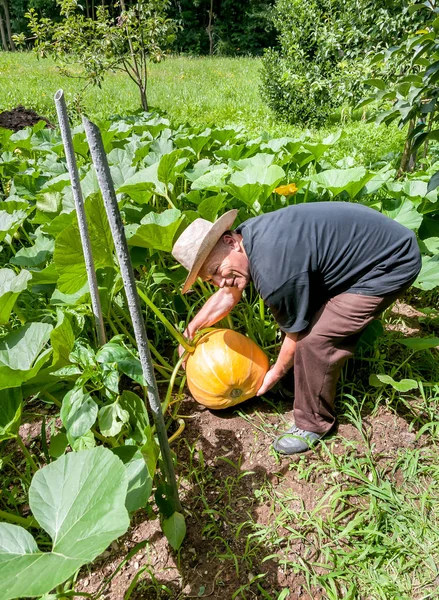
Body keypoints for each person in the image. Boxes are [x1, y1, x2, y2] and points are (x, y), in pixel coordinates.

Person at [171, 202, 422, 454]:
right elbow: (229, 292)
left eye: (216, 271)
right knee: (298, 317)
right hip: (363, 251)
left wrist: (273, 375)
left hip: (389, 262)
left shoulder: (273, 270)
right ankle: (297, 385)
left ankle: (313, 423)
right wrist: (192, 328)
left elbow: (295, 335)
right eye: (210, 279)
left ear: (230, 241)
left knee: (316, 340)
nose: (219, 281)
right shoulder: (248, 236)